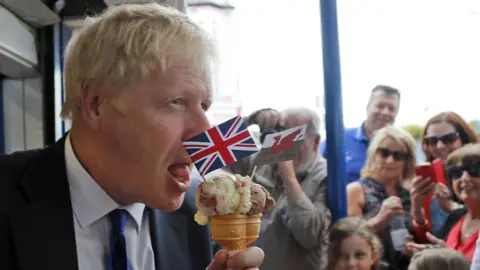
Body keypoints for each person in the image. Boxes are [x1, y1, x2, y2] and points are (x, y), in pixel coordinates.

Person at [0, 4, 263, 270]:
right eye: (177, 102)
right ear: (96, 104)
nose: (206, 133)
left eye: (204, 106)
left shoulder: (200, 219)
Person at [228, 107, 331, 270]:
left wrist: (289, 179)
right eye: (281, 136)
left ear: (316, 142)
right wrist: (249, 122)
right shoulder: (263, 161)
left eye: (295, 139)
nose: (286, 146)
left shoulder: (325, 176)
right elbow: (205, 152)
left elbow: (309, 237)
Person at [347, 125, 417, 269]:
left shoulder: (410, 192)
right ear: (373, 155)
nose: (390, 160)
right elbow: (348, 237)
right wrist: (380, 220)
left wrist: (413, 244)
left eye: (398, 155)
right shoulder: (356, 190)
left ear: (406, 161)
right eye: (384, 153)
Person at [408, 144, 480, 261]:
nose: (464, 178)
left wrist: (451, 257)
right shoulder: (456, 217)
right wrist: (417, 208)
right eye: (456, 172)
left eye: (475, 170)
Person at [413, 112, 478, 237]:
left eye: (449, 139)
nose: (440, 146)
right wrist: (417, 210)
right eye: (432, 141)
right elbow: (428, 236)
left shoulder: (475, 175)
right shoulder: (426, 177)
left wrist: (451, 208)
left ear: (464, 139)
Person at [320, 85, 401, 183]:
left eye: (391, 109)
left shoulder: (401, 148)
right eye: (380, 106)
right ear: (367, 107)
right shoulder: (338, 139)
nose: (385, 112)